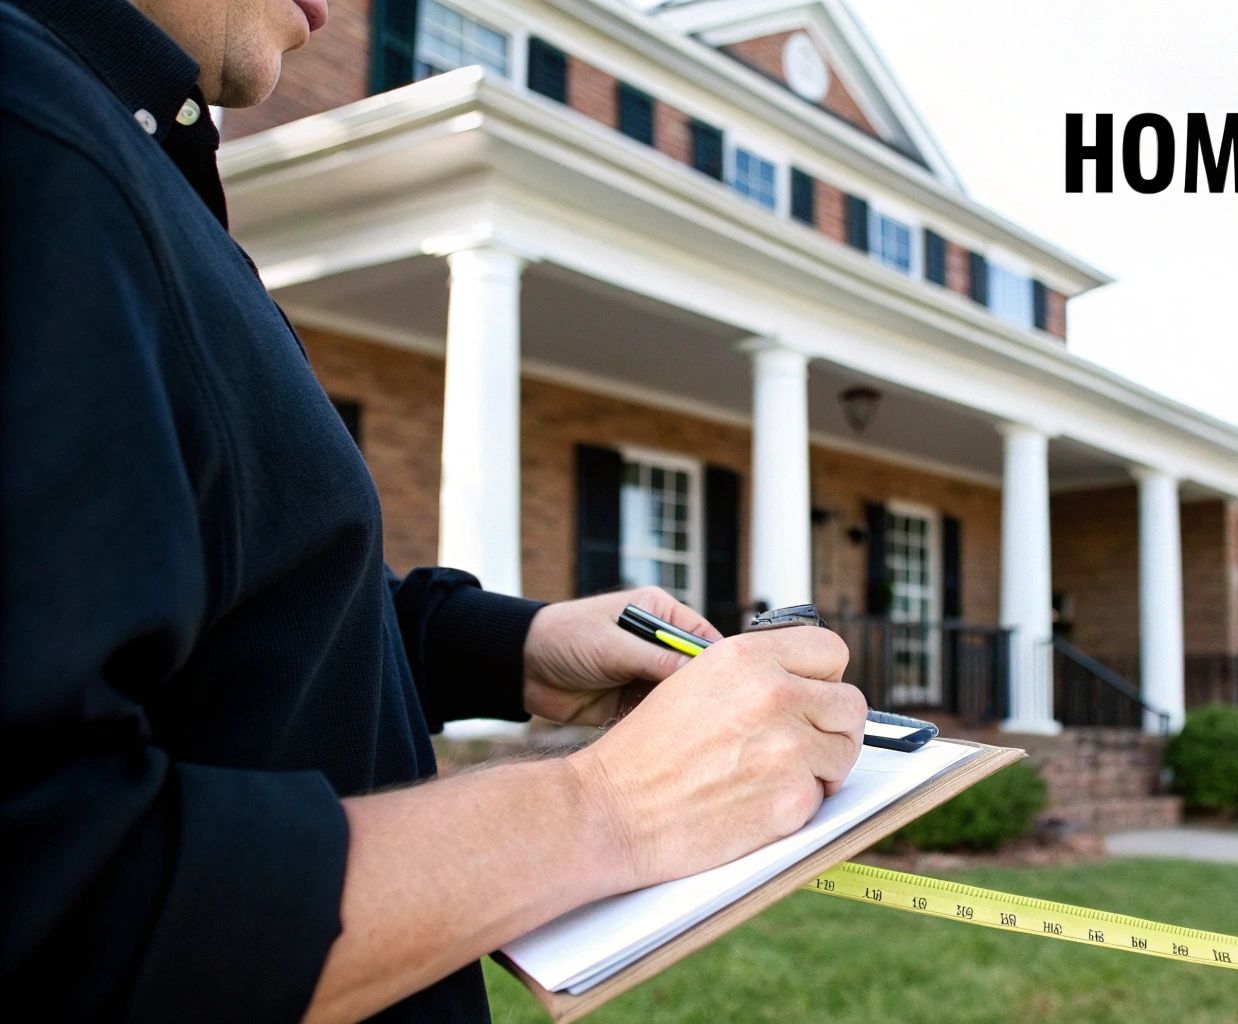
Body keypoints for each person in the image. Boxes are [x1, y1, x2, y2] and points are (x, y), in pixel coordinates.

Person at [0, 1, 869, 1020]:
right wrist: (608, 810)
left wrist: (519, 644)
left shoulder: (124, 151)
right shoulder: (33, 139)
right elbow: (50, 906)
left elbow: (257, 620)